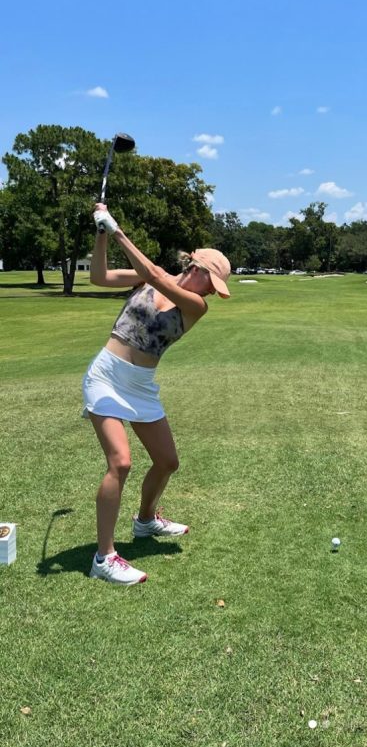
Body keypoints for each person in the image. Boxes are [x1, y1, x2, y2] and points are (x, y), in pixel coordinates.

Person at [84, 203, 231, 585]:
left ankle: (146, 520)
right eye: (212, 283)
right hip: (106, 376)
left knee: (167, 461)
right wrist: (102, 233)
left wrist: (116, 228)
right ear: (196, 269)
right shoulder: (148, 278)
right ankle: (104, 557)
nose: (212, 293)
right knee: (121, 462)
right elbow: (98, 277)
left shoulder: (195, 306)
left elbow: (153, 274)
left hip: (141, 386)